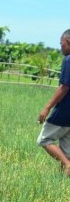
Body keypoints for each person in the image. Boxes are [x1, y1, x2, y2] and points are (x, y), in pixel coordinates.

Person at [37, 29, 70, 175]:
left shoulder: (68, 60)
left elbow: (64, 87)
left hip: (64, 111)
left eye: (62, 44)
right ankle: (64, 180)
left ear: (68, 42)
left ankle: (67, 165)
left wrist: (47, 108)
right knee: (67, 149)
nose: (61, 47)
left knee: (44, 139)